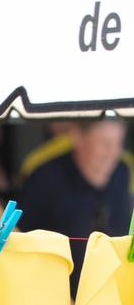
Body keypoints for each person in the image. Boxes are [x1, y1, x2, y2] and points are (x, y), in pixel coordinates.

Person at [19, 117, 132, 288]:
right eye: (104, 143)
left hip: (112, 296)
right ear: (77, 138)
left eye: (118, 143)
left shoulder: (123, 172)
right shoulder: (44, 179)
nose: (113, 153)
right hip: (59, 299)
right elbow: (20, 244)